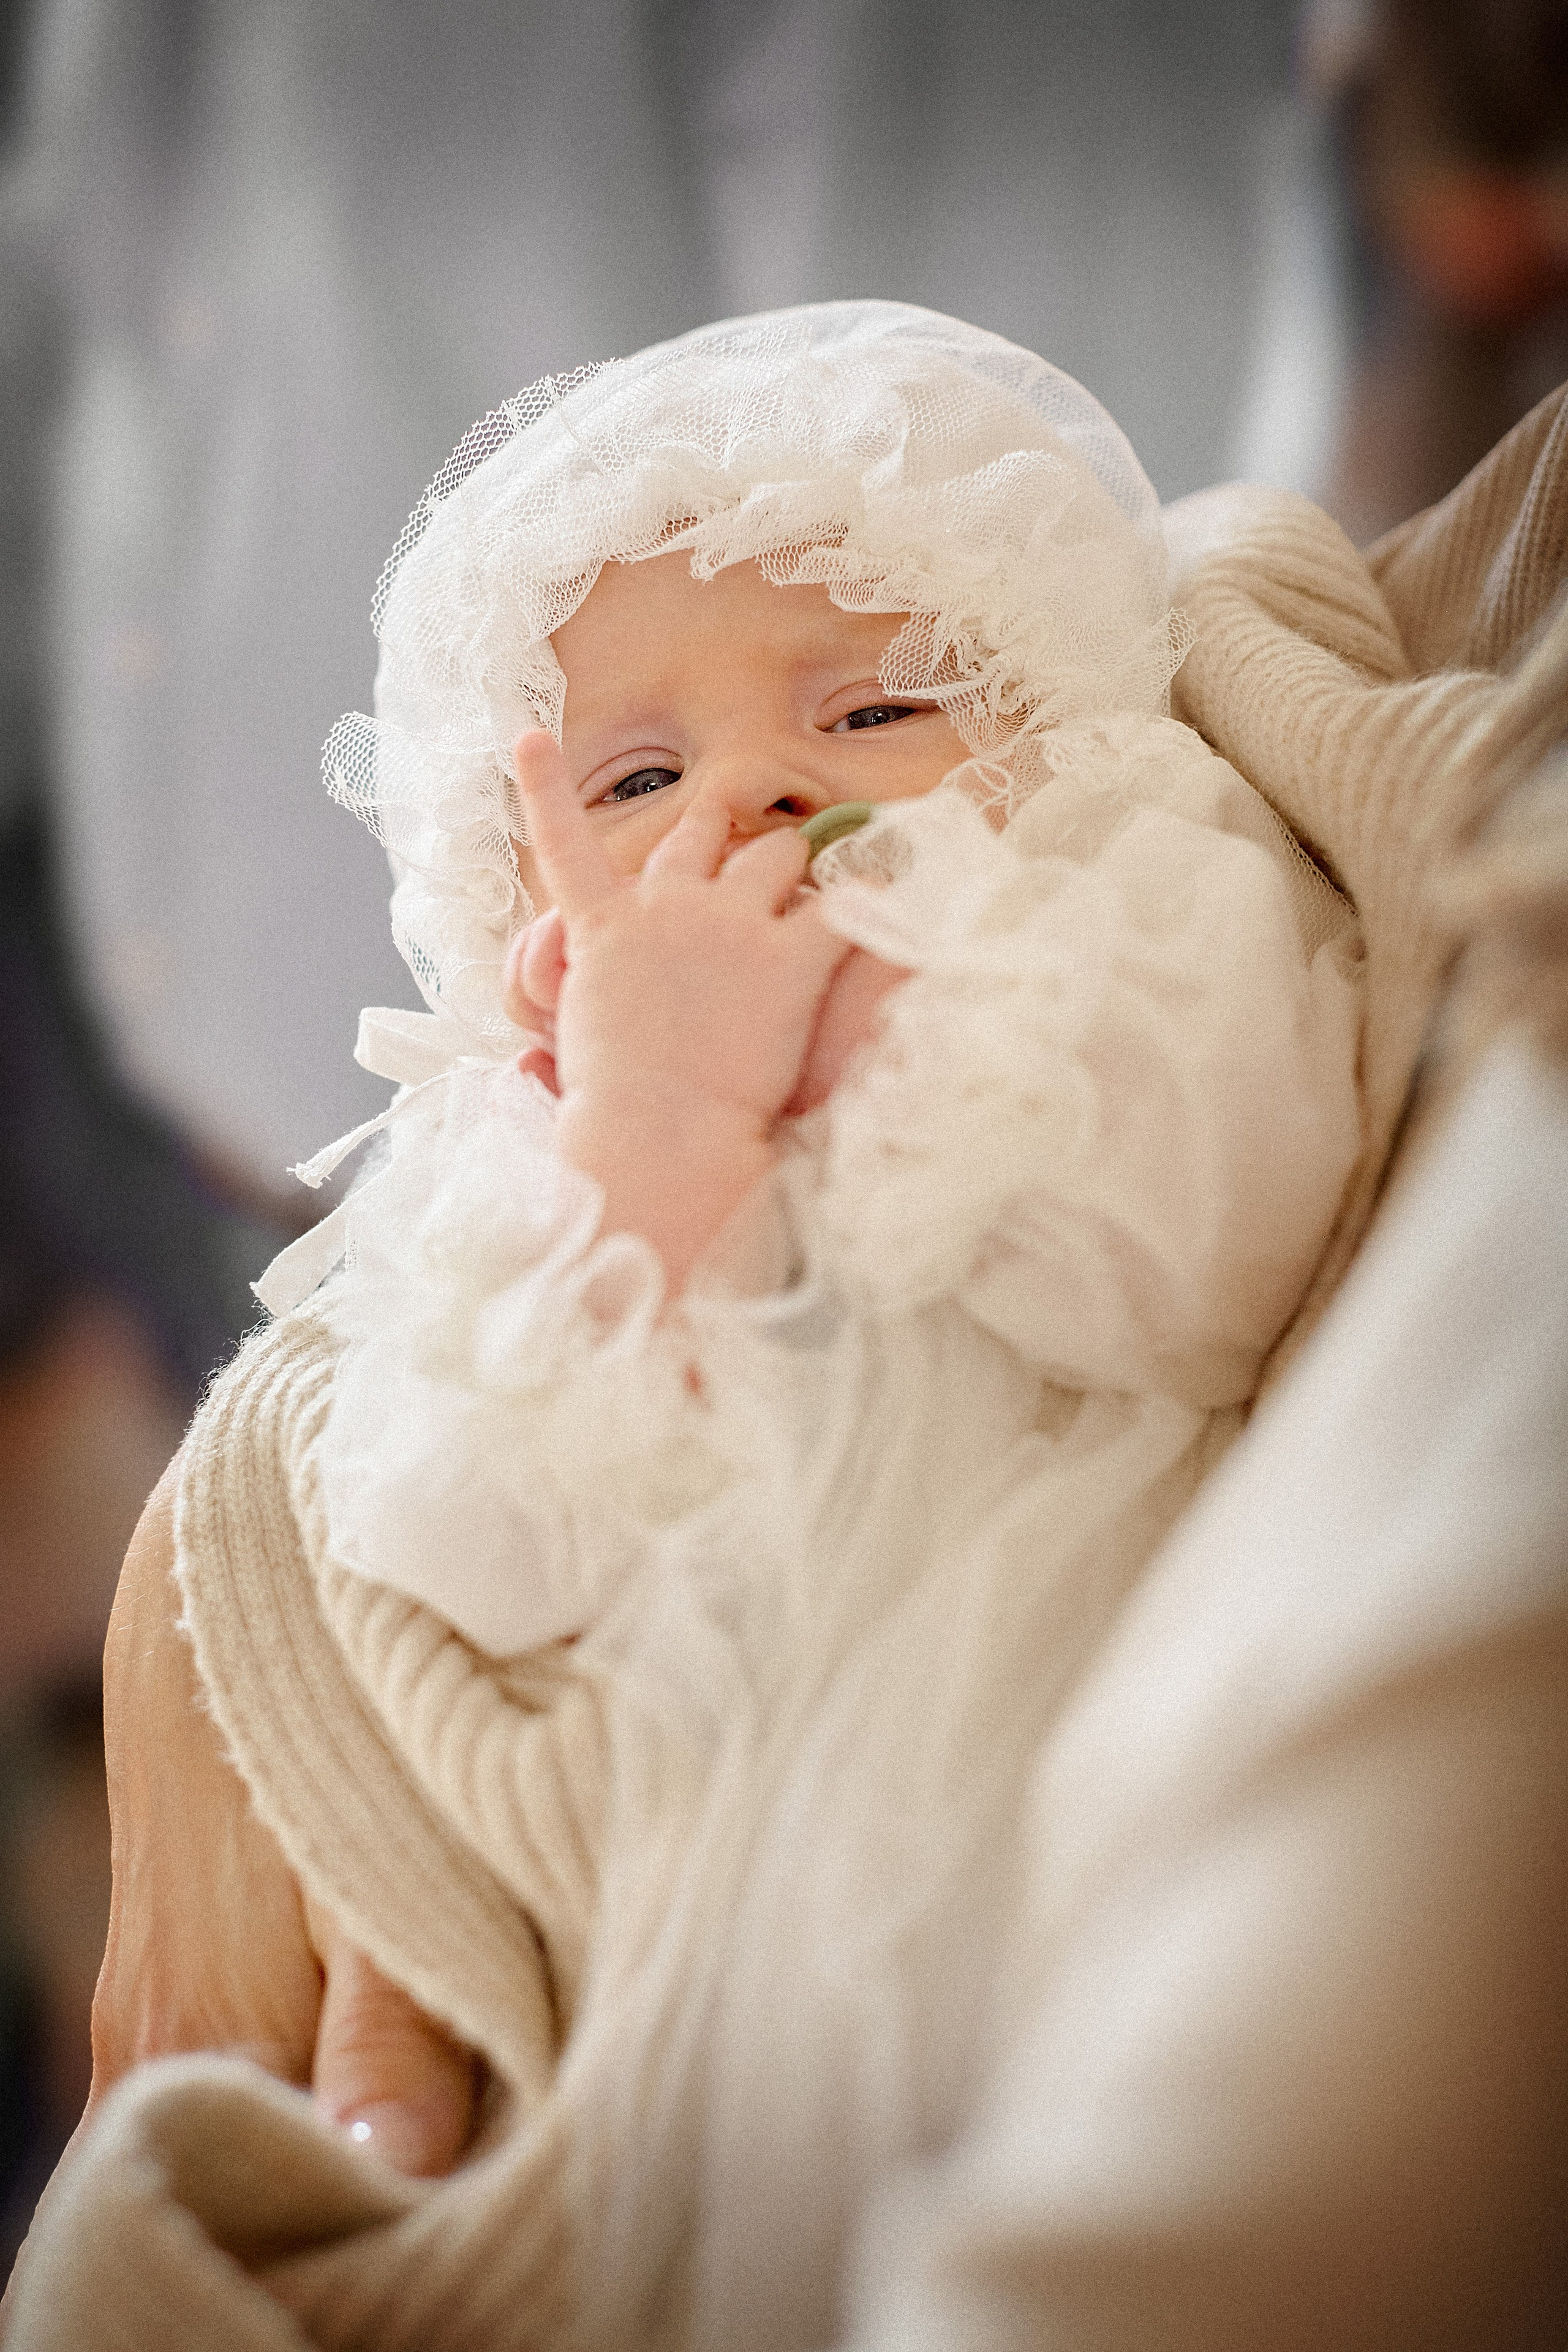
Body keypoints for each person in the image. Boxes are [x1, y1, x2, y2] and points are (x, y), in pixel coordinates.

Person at [10, 308, 1567, 2348]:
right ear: (522, 901)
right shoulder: (524, 1141)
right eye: (640, 772)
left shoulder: (1132, 915)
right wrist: (659, 1138)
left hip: (1061, 1699)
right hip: (675, 1831)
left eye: (874, 712)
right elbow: (477, 1552)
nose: (750, 795)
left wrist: (934, 1039)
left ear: (1050, 733)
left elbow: (1244, 1258)